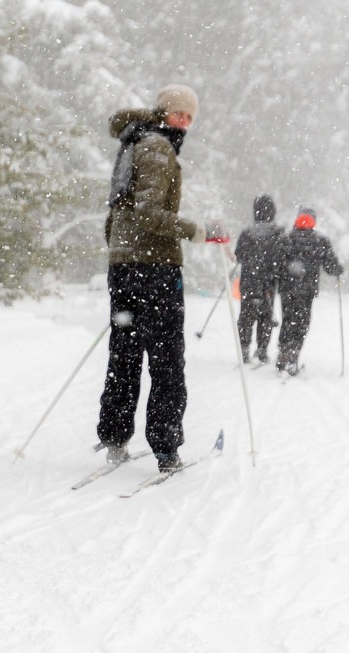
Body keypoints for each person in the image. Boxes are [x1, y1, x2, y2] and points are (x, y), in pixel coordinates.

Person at [96, 84, 213, 473]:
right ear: (164, 114)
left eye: (189, 118)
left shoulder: (131, 144)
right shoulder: (158, 148)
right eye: (179, 114)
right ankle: (167, 450)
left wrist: (121, 257)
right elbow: (147, 213)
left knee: (124, 355)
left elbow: (117, 216)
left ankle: (114, 437)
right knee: (166, 359)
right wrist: (195, 230)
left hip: (124, 265)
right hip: (155, 268)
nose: (184, 123)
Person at [275, 205, 344, 375]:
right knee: (301, 322)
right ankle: (293, 355)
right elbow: (330, 266)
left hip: (287, 289)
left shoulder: (287, 238)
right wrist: (338, 269)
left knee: (287, 320)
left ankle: (283, 352)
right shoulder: (320, 241)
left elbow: (277, 264)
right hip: (306, 291)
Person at [234, 194, 284, 365]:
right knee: (266, 317)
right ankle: (262, 350)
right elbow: (281, 257)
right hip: (268, 283)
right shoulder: (278, 233)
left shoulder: (247, 233)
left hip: (249, 282)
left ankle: (244, 349)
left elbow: (238, 256)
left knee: (246, 317)